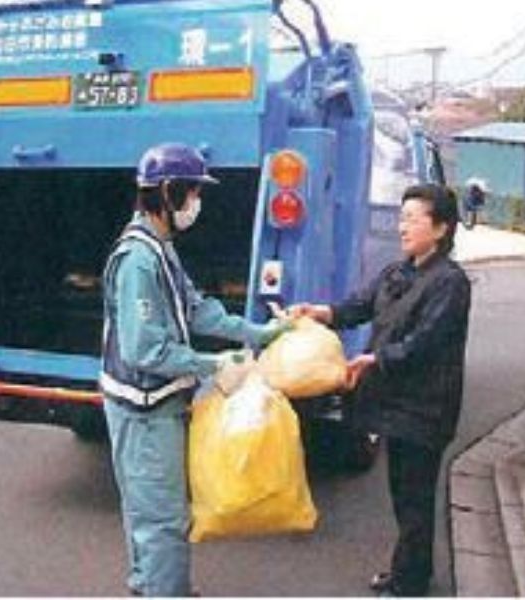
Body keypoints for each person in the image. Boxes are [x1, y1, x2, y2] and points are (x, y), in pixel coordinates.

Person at [100, 143, 287, 597]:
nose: (197, 203)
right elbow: (145, 350)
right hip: (144, 410)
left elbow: (198, 309)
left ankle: (149, 584)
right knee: (163, 518)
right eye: (194, 192)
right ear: (168, 192)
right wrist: (212, 365)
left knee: (146, 509)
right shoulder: (139, 260)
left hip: (149, 406)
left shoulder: (159, 248)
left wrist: (258, 333)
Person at [288, 183, 471, 597]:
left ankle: (411, 583)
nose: (402, 227)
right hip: (396, 405)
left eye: (413, 219)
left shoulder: (450, 282)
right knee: (402, 494)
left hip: (426, 408)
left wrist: (375, 359)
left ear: (441, 228)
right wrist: (319, 313)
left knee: (415, 497)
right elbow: (358, 306)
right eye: (401, 218)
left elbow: (425, 342)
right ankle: (407, 571)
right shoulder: (397, 272)